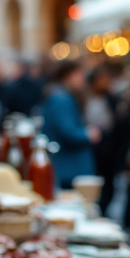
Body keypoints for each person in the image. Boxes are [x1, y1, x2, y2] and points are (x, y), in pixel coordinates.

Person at [42, 61, 96, 190]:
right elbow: (68, 132)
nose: (83, 79)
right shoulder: (62, 99)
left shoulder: (59, 95)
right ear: (68, 76)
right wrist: (88, 134)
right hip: (70, 166)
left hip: (67, 165)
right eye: (79, 75)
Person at [85, 65, 122, 213]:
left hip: (109, 147)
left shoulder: (112, 98)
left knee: (109, 183)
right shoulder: (86, 98)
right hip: (94, 147)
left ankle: (104, 209)